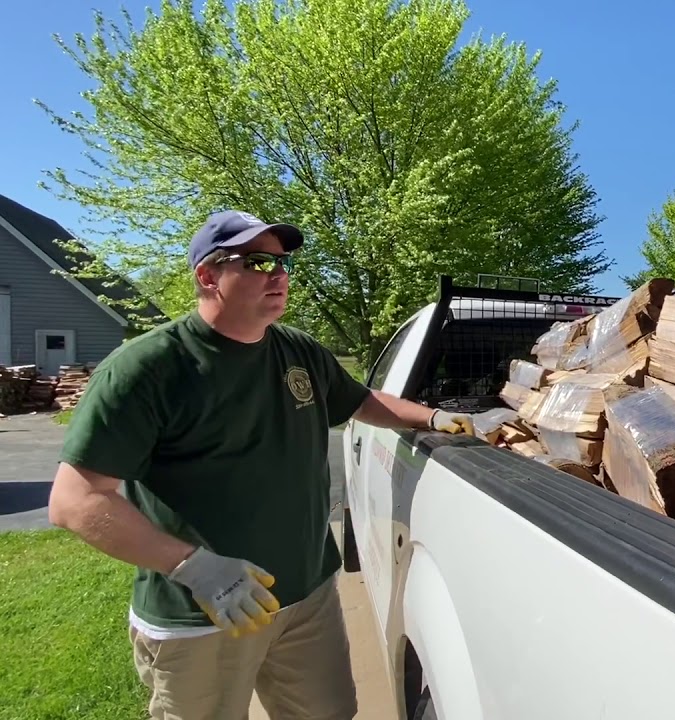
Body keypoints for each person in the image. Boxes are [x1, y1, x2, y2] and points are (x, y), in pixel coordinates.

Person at [48, 209, 473, 720]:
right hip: (203, 612)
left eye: (282, 263)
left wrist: (433, 417)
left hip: (307, 598)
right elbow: (74, 501)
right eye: (255, 262)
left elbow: (362, 401)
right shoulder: (148, 369)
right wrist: (194, 568)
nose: (278, 275)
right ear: (207, 276)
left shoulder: (298, 351)